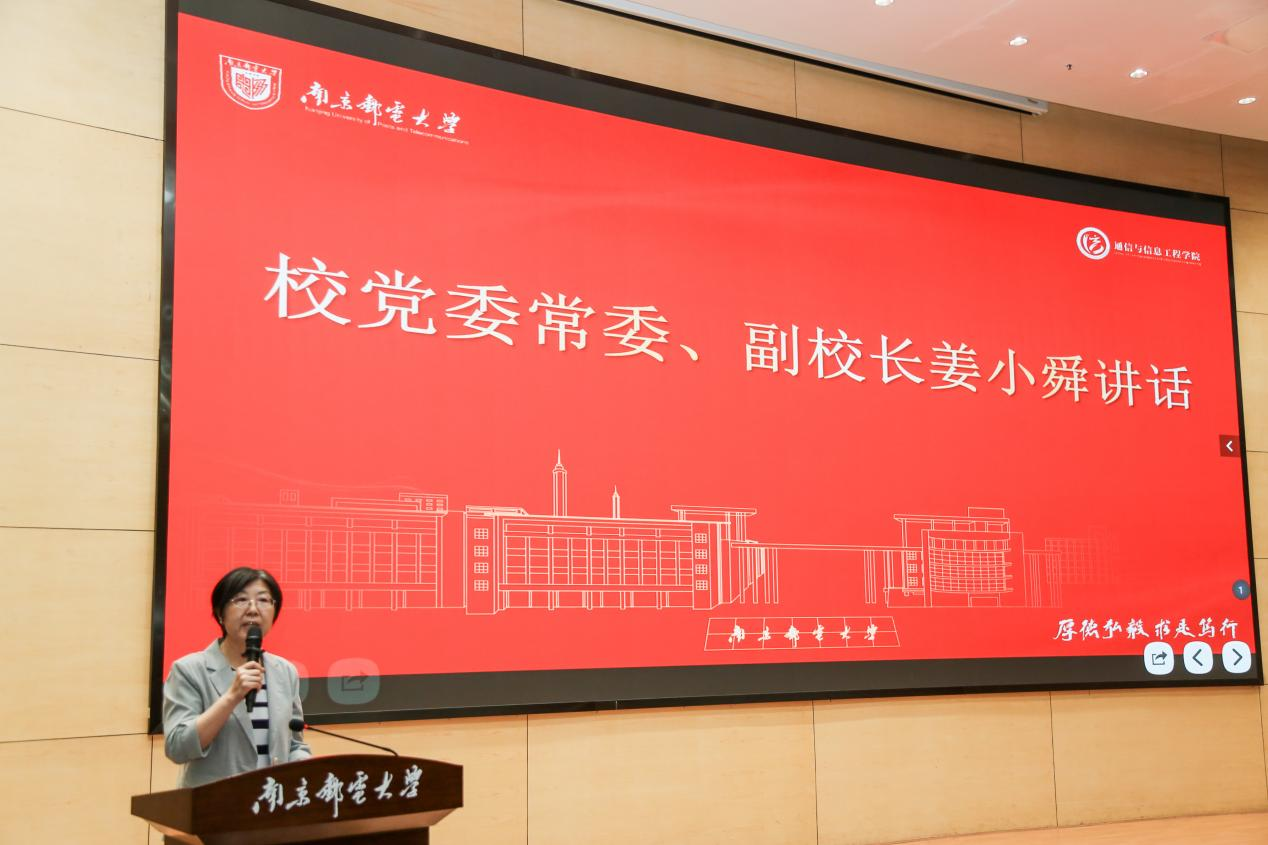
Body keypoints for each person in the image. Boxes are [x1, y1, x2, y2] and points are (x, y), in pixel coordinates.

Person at [163, 567, 312, 787]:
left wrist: (307, 767)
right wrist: (232, 697)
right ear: (220, 613)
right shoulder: (189, 670)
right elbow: (178, 747)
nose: (253, 609)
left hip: (271, 800)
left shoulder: (284, 671)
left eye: (263, 600)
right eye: (241, 600)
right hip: (215, 802)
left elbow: (294, 744)